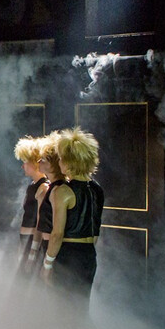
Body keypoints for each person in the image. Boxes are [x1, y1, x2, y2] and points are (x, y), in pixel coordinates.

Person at [42, 127, 104, 301]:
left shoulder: (62, 191)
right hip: (89, 255)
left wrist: (47, 264)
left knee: (63, 307)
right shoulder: (97, 189)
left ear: (70, 162)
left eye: (61, 158)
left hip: (68, 256)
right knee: (81, 307)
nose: (59, 162)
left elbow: (57, 234)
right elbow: (95, 232)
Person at [30, 131, 67, 275]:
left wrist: (47, 260)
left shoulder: (59, 190)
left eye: (44, 159)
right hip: (48, 247)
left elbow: (57, 230)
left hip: (55, 249)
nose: (39, 162)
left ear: (53, 164)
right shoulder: (51, 187)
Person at [13, 136, 50, 263]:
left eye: (25, 162)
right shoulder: (33, 186)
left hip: (32, 239)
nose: (23, 166)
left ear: (34, 163)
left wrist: (34, 249)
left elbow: (41, 221)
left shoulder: (43, 186)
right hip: (26, 238)